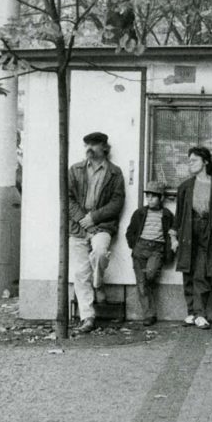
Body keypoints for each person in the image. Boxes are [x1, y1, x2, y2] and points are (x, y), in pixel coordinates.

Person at [68, 132, 125, 334]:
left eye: (94, 144)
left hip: (102, 226)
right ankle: (87, 317)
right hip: (78, 227)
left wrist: (94, 218)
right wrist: (83, 220)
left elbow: (117, 203)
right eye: (87, 145)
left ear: (105, 148)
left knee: (100, 252)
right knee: (80, 273)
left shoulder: (115, 173)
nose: (89, 148)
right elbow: (67, 198)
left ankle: (98, 284)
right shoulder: (75, 170)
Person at [169, 146, 212, 330]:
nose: (190, 164)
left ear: (205, 162)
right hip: (188, 230)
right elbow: (179, 215)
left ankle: (201, 314)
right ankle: (191, 312)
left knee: (202, 272)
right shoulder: (185, 187)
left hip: (209, 231)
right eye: (189, 161)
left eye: (194, 160)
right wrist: (174, 237)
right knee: (187, 271)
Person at [125, 181, 174, 326]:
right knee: (141, 284)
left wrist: (169, 250)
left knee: (150, 274)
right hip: (140, 248)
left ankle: (148, 286)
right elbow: (130, 232)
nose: (150, 199)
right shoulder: (140, 213)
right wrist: (134, 246)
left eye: (154, 197)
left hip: (156, 249)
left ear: (161, 198)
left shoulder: (166, 215)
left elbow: (172, 233)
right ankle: (149, 315)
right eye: (148, 196)